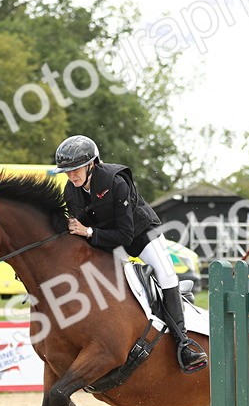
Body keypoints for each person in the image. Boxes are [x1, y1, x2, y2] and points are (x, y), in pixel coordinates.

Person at [54, 134, 207, 373]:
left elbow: (125, 235)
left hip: (140, 234)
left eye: (76, 169)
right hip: (108, 241)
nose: (71, 176)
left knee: (167, 276)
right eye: (67, 171)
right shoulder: (70, 191)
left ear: (91, 164)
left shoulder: (116, 182)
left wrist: (89, 231)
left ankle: (184, 344)